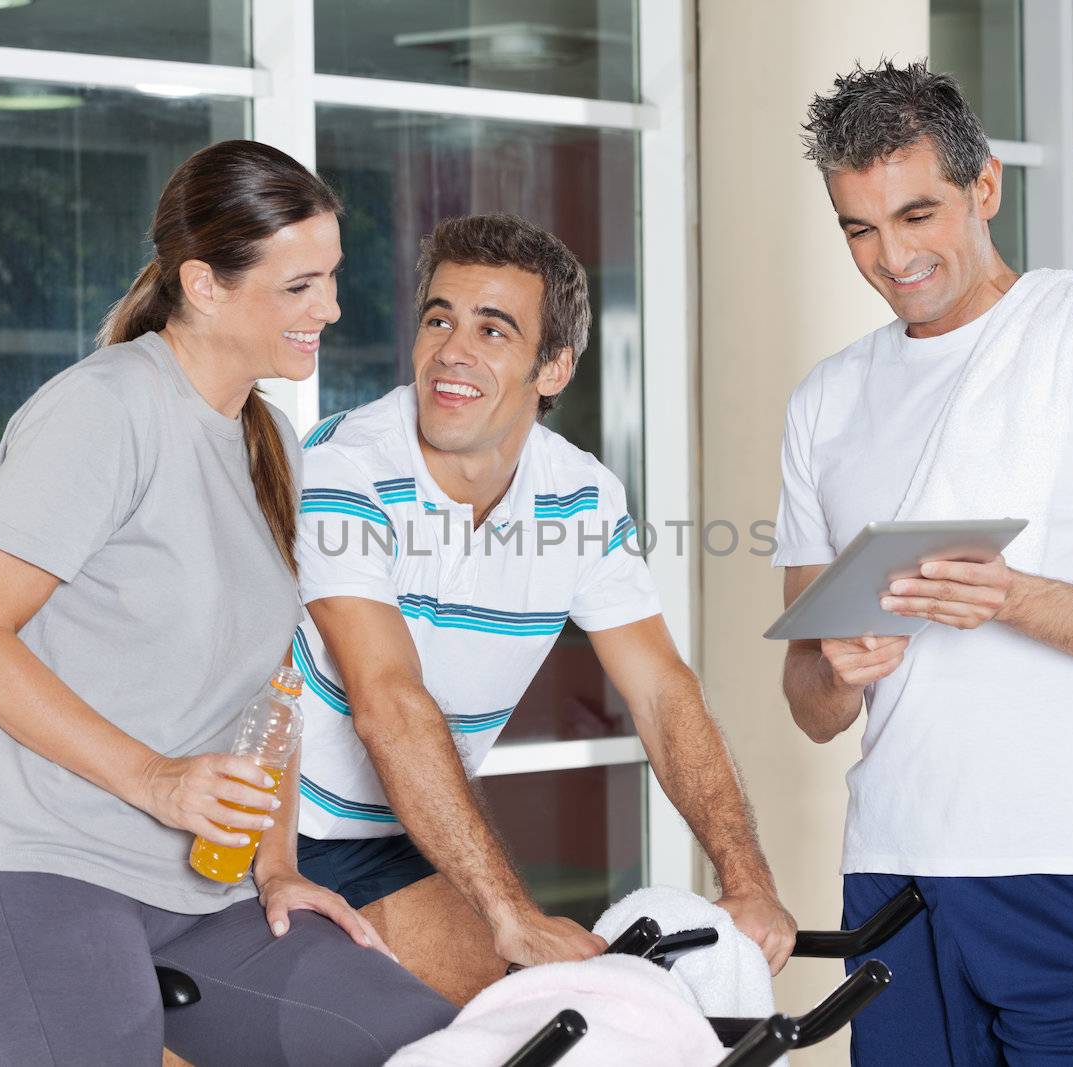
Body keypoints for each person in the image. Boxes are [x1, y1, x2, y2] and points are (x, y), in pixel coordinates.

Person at [0, 140, 456, 1067]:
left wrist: (278, 865)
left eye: (331, 278)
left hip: (203, 894)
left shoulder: (265, 436)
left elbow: (269, 688)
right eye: (298, 287)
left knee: (418, 1044)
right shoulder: (106, 412)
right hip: (33, 872)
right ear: (202, 284)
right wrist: (158, 780)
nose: (327, 308)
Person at [778, 61, 1073, 1065]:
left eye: (916, 214)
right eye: (858, 228)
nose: (891, 256)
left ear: (986, 186)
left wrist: (1011, 594)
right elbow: (808, 703)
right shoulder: (826, 401)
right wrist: (831, 661)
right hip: (894, 872)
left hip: (1070, 861)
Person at [283, 213, 797, 1004]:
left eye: (493, 330)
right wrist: (509, 909)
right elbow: (386, 700)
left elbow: (662, 692)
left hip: (394, 834)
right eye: (438, 319)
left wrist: (747, 879)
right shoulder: (344, 468)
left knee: (502, 1017)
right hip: (264, 819)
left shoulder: (582, 496)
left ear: (552, 368)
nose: (452, 350)